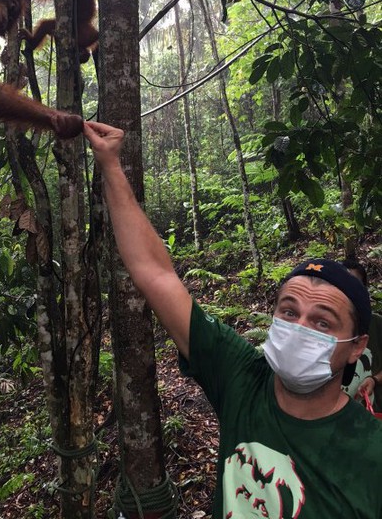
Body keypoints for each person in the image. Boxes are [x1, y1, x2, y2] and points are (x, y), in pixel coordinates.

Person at [84, 120, 382, 519]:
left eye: (323, 322)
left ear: (357, 346)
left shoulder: (371, 452)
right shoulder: (243, 378)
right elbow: (155, 274)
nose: (299, 328)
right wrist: (111, 167)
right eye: (289, 311)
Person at [342, 258, 382, 409]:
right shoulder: (323, 328)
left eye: (355, 285)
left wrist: (374, 380)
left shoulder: (377, 324)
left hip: (372, 414)